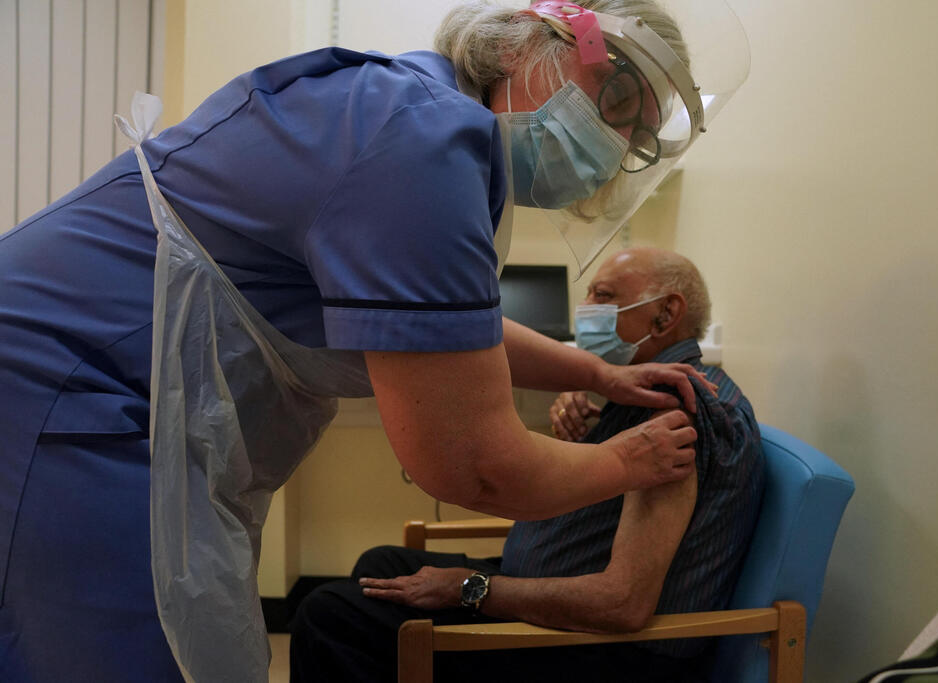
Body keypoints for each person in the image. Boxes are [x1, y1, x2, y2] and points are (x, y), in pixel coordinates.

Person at [0, 2, 749, 681]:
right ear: (535, 41)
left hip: (97, 391)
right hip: (64, 386)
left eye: (637, 139)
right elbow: (474, 464)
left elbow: (457, 327)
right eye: (615, 101)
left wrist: (595, 374)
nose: (614, 144)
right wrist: (627, 459)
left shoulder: (417, 122)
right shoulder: (420, 138)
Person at [290, 247, 765, 683]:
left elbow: (622, 603)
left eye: (603, 296)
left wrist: (469, 588)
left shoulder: (678, 416)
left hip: (606, 654)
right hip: (562, 607)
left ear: (666, 314)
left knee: (328, 615)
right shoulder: (646, 396)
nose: (588, 310)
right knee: (381, 566)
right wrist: (590, 431)